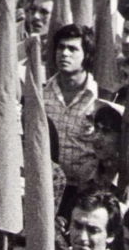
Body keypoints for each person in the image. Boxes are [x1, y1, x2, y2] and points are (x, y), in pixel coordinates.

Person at [42, 24, 103, 192]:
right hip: (46, 186)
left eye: (72, 49)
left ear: (87, 55)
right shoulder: (41, 92)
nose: (64, 53)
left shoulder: (99, 97)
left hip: (85, 188)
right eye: (60, 47)